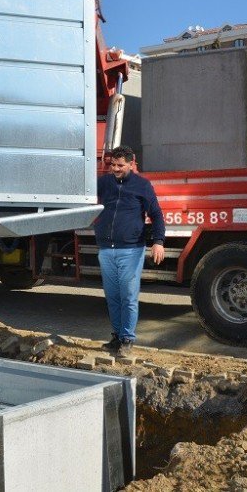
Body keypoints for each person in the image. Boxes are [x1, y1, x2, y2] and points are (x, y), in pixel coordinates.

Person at [94, 145, 165, 356]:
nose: (115, 169)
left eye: (120, 165)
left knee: (128, 296)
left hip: (131, 250)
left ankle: (127, 339)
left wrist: (158, 241)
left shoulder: (142, 185)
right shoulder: (104, 183)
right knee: (112, 296)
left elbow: (157, 214)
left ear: (131, 164)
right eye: (112, 165)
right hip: (106, 248)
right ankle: (116, 337)